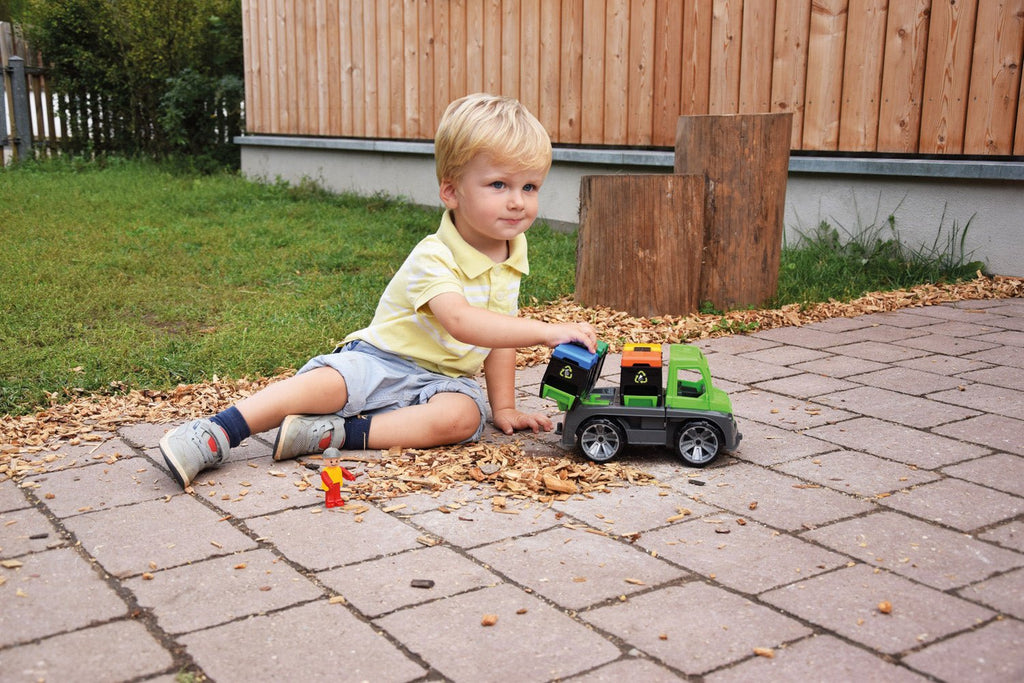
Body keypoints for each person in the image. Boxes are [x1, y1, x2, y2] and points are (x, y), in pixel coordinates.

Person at [159, 93, 597, 487]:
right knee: (327, 384)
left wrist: (502, 409)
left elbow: (496, 339)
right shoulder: (435, 254)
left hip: (443, 381)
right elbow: (462, 323)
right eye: (498, 185)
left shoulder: (511, 253)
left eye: (529, 187)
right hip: (384, 360)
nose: (517, 201)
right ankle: (218, 431)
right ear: (451, 191)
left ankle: (331, 433)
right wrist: (543, 330)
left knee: (464, 419)